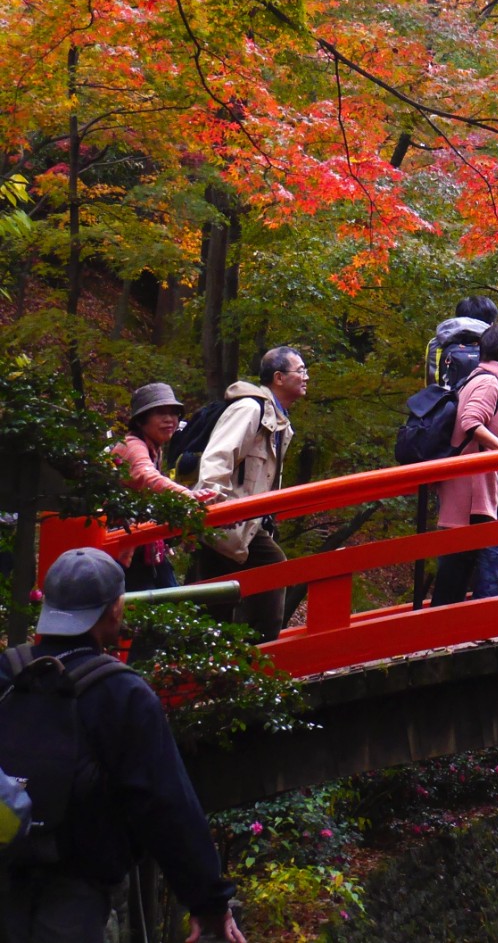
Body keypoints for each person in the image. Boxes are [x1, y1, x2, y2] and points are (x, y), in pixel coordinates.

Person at [0, 548, 243, 943]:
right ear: (114, 609)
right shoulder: (121, 693)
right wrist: (208, 901)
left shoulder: (7, 674)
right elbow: (166, 805)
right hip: (75, 892)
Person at [190, 347, 308, 642]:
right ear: (279, 377)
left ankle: (206, 663)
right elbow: (217, 459)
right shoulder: (250, 410)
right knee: (273, 570)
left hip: (245, 521)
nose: (307, 377)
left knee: (210, 599)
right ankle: (262, 654)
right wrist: (216, 509)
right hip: (228, 517)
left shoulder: (279, 420)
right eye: (301, 371)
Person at [430, 322, 498, 606]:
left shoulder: (479, 377)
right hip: (471, 490)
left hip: (471, 488)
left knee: (459, 566)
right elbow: (470, 421)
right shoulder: (488, 382)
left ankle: (446, 633)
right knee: (457, 567)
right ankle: (441, 634)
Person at [110, 385, 218, 592]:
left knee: (167, 597)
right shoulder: (133, 446)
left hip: (142, 543)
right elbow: (147, 477)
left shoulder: (154, 449)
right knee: (155, 604)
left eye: (173, 413)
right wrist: (188, 496)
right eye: (160, 413)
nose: (169, 419)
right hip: (124, 546)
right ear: (141, 420)